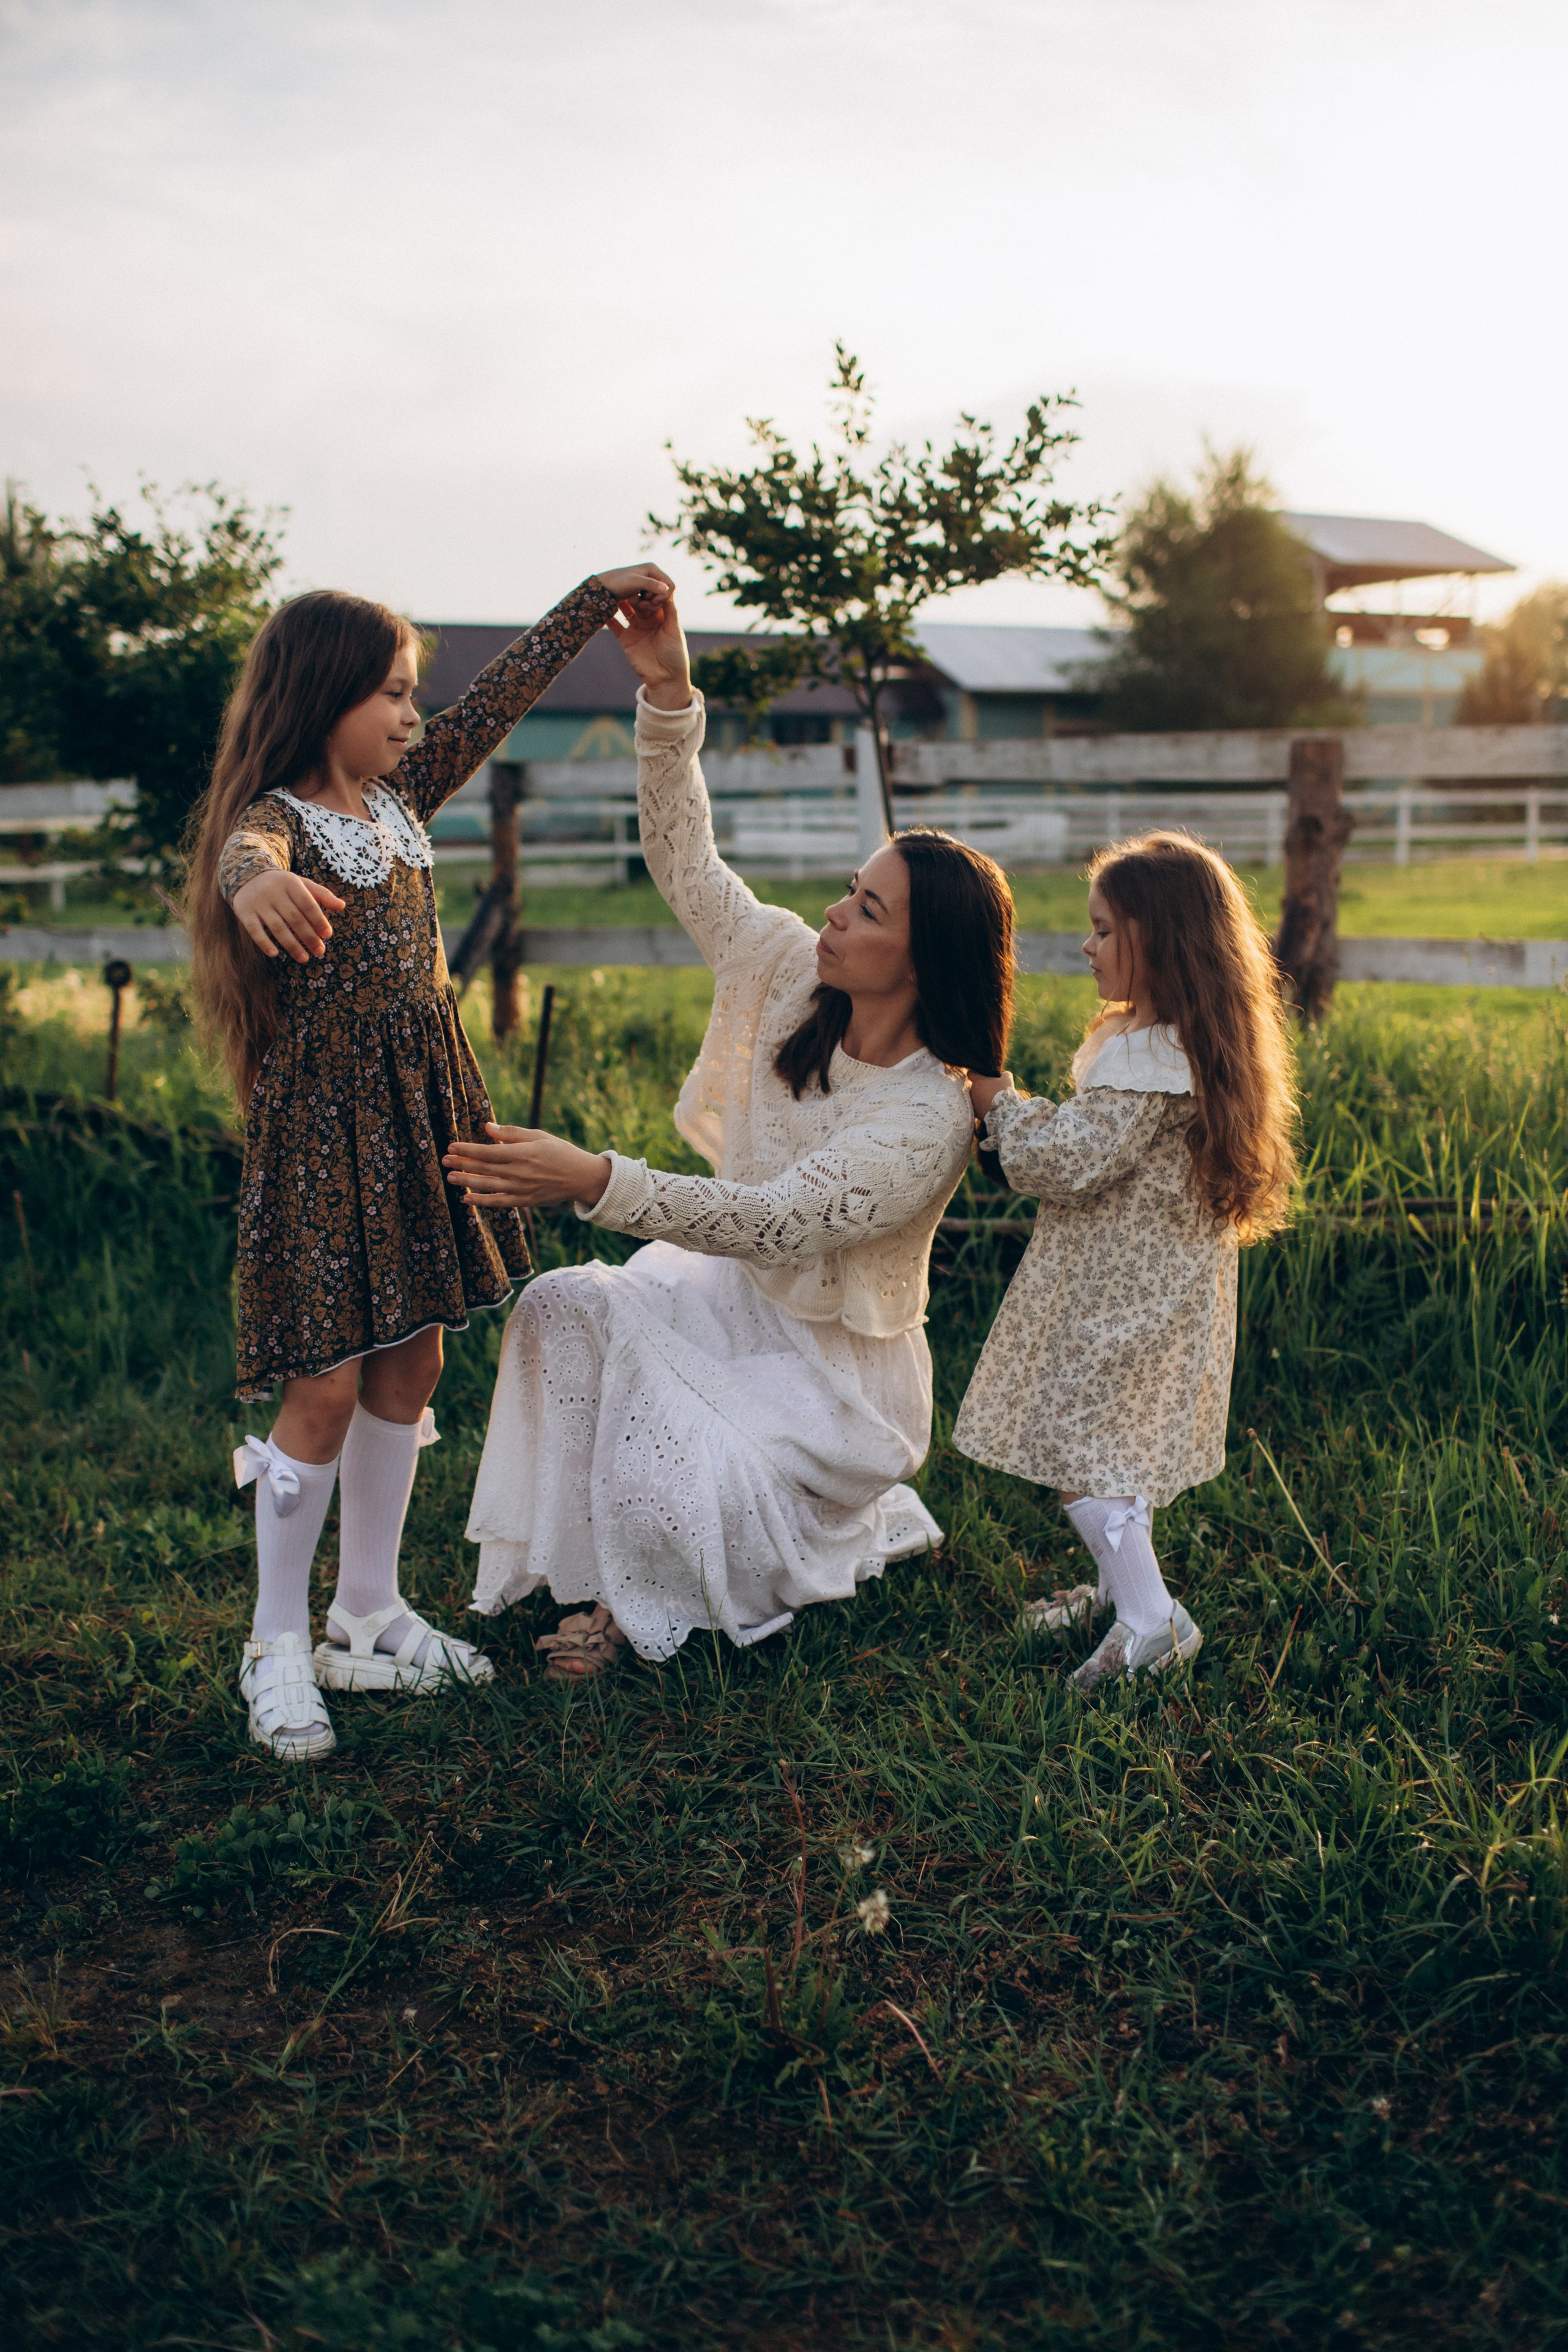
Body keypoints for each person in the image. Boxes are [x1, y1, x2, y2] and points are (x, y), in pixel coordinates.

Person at [443, 592, 1014, 1679]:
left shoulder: (927, 1114)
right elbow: (688, 867)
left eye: (870, 910)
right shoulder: (792, 971)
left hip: (838, 1386)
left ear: (925, 961)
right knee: (560, 1306)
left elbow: (776, 1222)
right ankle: (605, 1566)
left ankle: (677, 1584)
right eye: (850, 891)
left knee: (673, 1469)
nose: (836, 913)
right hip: (727, 1305)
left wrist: (593, 1178)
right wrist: (668, 694)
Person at [186, 562, 674, 1758]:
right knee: (324, 1384)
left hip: (423, 1123)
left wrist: (588, 604)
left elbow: (497, 698)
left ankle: (368, 1612)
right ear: (322, 697)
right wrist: (256, 886)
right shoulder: (281, 820)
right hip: (327, 1141)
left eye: (414, 694)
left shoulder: (400, 797)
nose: (414, 715)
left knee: (414, 1361)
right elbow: (242, 851)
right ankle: (274, 1643)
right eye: (392, 694)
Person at [956, 834, 1297, 1691]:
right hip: (1153, 1289)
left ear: (1162, 941)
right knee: (1117, 1446)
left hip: (1129, 1301)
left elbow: (1069, 1159)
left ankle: (1152, 1621)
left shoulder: (1151, 1059)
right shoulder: (1176, 1042)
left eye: (1105, 929)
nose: (1088, 945)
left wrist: (1001, 1103)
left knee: (1084, 1450)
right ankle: (1119, 1589)